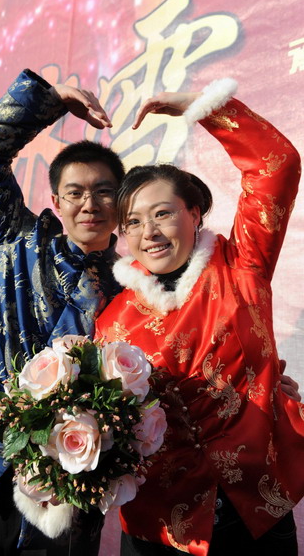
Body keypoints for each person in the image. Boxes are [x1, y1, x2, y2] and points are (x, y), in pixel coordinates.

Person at [94, 79, 304, 555]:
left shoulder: (241, 269)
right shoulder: (112, 321)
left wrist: (205, 108)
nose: (148, 232)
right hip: (160, 525)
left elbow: (278, 165)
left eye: (163, 213)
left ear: (194, 212)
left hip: (256, 507)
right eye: (132, 222)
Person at [0, 69, 124, 556]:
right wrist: (51, 99)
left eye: (103, 192)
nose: (89, 204)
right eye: (75, 192)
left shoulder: (131, 285)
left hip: (75, 478)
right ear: (56, 200)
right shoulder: (17, 238)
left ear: (120, 203)